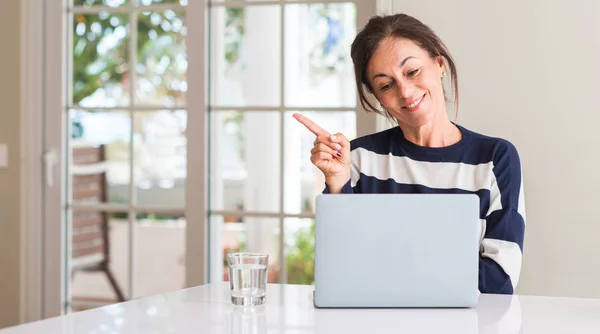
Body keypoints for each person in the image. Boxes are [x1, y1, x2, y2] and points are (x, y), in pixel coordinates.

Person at [293, 13, 525, 295]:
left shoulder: (494, 158)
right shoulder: (359, 159)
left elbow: (499, 281)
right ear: (378, 98)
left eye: (412, 71)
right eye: (386, 85)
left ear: (439, 64)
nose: (404, 91)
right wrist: (338, 182)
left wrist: (387, 261)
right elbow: (341, 270)